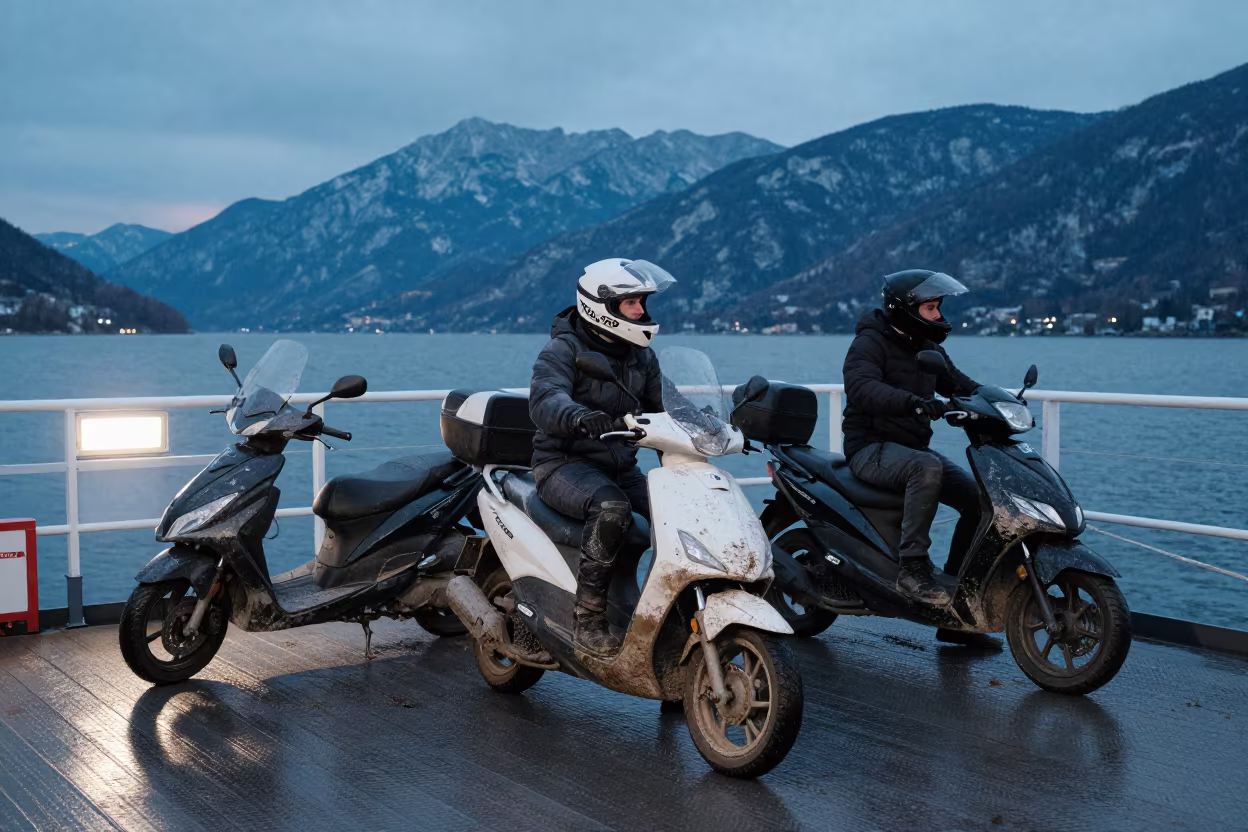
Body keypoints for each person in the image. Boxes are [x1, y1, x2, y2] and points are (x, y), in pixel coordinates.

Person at [528, 258, 676, 656]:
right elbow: (546, 399)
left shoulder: (641, 356)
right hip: (562, 463)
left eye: (642, 302)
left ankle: (670, 612)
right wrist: (577, 416)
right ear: (602, 305)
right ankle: (588, 619)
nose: (642, 311)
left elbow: (665, 407)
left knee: (678, 507)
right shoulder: (563, 350)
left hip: (619, 465)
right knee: (611, 507)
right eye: (632, 303)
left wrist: (708, 425)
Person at [841, 270, 987, 642]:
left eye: (938, 307)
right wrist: (914, 404)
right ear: (904, 309)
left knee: (977, 500)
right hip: (869, 448)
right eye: (931, 308)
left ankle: (957, 600)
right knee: (927, 466)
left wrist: (1000, 402)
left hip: (909, 449)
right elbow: (861, 388)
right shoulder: (870, 343)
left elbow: (960, 384)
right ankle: (912, 568)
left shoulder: (927, 346)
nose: (938, 315)